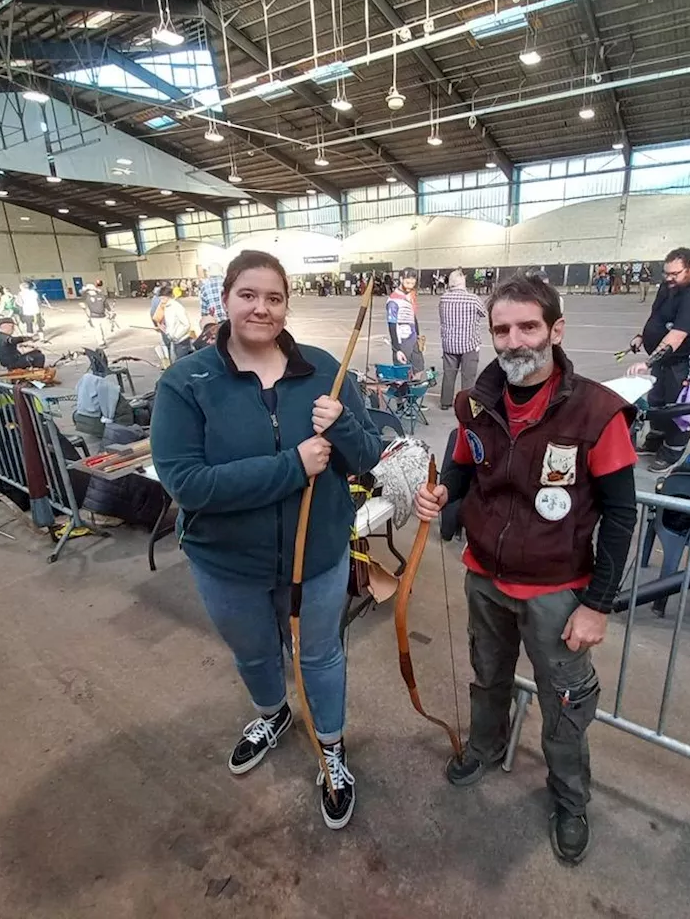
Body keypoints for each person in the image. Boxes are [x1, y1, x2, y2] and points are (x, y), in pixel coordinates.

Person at [152, 250, 384, 830]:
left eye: (274, 298)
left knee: (321, 654)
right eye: (248, 295)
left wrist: (345, 423)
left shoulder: (325, 369)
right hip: (227, 562)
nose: (261, 308)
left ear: (286, 305)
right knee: (255, 652)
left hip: (319, 556)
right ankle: (273, 714)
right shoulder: (187, 382)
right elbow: (187, 483)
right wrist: (292, 465)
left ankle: (330, 748)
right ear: (225, 300)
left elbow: (370, 459)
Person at [413, 273, 637, 865]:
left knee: (565, 703)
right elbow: (460, 465)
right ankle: (485, 749)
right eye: (502, 330)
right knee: (488, 676)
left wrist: (598, 605)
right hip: (485, 577)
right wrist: (442, 497)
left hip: (558, 592)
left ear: (556, 330)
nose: (514, 342)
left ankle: (569, 798)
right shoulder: (475, 403)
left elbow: (620, 516)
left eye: (528, 327)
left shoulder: (598, 413)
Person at [626, 247, 690, 472]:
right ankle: (655, 441)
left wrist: (647, 362)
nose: (669, 278)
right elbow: (657, 317)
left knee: (679, 408)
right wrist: (643, 335)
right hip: (666, 359)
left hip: (687, 362)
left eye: (674, 273)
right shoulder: (671, 286)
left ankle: (671, 453)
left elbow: (677, 335)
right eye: (666, 273)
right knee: (657, 401)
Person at [437, 268, 486, 410]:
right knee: (468, 377)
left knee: (449, 374)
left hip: (449, 344)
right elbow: (483, 313)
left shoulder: (444, 298)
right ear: (463, 282)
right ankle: (468, 406)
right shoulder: (473, 298)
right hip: (469, 343)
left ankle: (445, 402)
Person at [387, 267, 424, 370]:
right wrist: (397, 349)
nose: (410, 286)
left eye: (413, 283)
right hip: (402, 342)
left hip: (413, 341)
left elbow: (413, 317)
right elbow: (392, 325)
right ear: (401, 279)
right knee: (402, 374)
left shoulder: (410, 296)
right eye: (407, 282)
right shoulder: (393, 300)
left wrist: (418, 336)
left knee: (419, 369)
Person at [154, 288, 193, 364]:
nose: (161, 301)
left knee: (181, 365)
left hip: (182, 342)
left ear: (167, 297)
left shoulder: (177, 307)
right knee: (174, 363)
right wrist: (165, 330)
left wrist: (176, 336)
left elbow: (186, 324)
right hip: (174, 341)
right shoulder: (166, 307)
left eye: (162, 298)